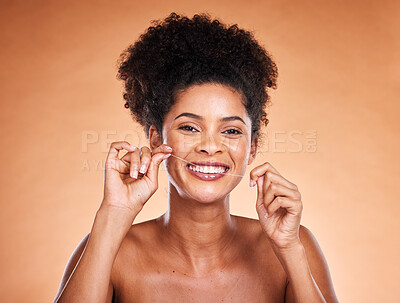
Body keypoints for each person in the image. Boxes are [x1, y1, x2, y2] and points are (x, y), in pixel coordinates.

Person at [54, 12, 338, 302]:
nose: (210, 146)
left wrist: (290, 251)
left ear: (252, 147)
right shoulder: (110, 251)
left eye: (230, 130)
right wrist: (113, 215)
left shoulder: (293, 247)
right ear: (155, 139)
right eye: (190, 127)